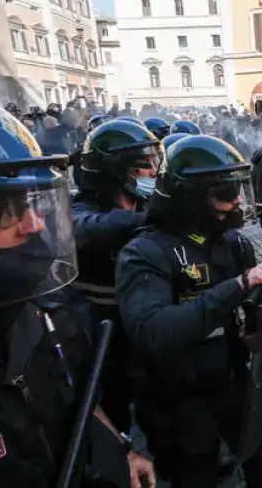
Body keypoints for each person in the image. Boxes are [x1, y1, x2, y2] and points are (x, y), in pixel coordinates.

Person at [0, 92, 155, 488]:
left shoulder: (34, 305)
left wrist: (118, 448)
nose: (34, 224)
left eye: (32, 202)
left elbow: (74, 392)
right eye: (4, 205)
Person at [115, 135, 262, 488]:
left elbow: (247, 309)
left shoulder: (234, 241)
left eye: (239, 190)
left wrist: (252, 330)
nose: (237, 201)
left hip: (234, 382)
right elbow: (153, 330)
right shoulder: (145, 253)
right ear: (190, 198)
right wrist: (234, 287)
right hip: (179, 397)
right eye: (224, 193)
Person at [72, 119, 161, 432]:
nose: (153, 172)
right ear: (114, 171)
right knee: (115, 409)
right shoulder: (79, 207)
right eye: (143, 166)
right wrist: (149, 219)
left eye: (155, 163)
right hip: (103, 336)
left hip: (148, 328)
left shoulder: (148, 200)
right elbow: (89, 229)